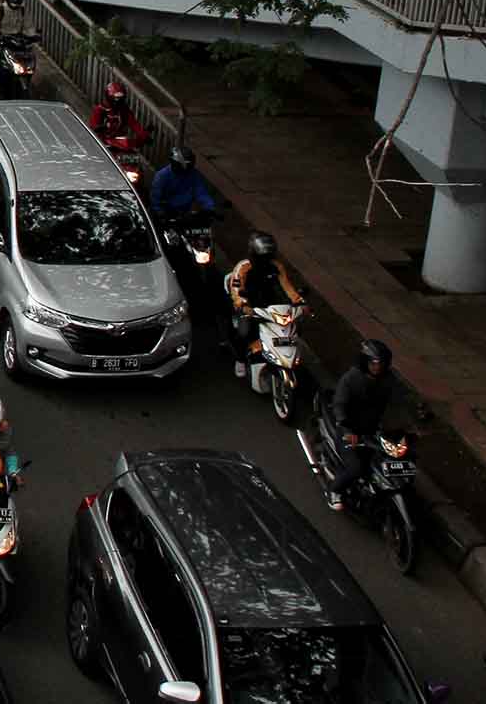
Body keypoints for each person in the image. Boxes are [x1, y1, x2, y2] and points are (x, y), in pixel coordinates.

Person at [322, 338, 396, 510]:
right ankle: (333, 490)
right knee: (356, 468)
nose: (378, 367)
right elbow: (339, 405)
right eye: (374, 363)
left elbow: (398, 404)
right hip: (350, 431)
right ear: (366, 361)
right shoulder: (350, 379)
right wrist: (347, 430)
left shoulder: (388, 380)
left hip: (372, 432)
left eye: (381, 363)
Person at [225, 231, 306, 378]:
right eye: (263, 257)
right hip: (249, 305)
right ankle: (240, 360)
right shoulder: (243, 267)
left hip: (270, 305)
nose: (266, 260)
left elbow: (287, 287)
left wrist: (299, 302)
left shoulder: (277, 266)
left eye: (269, 256)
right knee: (245, 332)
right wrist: (243, 305)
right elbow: (236, 288)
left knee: (293, 327)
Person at [149, 146, 217, 220]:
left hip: (184, 213)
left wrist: (210, 208)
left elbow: (201, 192)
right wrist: (159, 212)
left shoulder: (193, 174)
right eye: (185, 166)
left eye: (189, 166)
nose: (186, 169)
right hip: (166, 213)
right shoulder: (161, 176)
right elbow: (155, 198)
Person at [88, 80, 146, 147]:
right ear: (110, 97)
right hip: (101, 142)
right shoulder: (101, 109)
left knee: (130, 146)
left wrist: (144, 135)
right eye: (117, 98)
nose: (119, 101)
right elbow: (93, 127)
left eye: (121, 98)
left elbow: (134, 124)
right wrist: (103, 127)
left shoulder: (124, 110)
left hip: (118, 142)